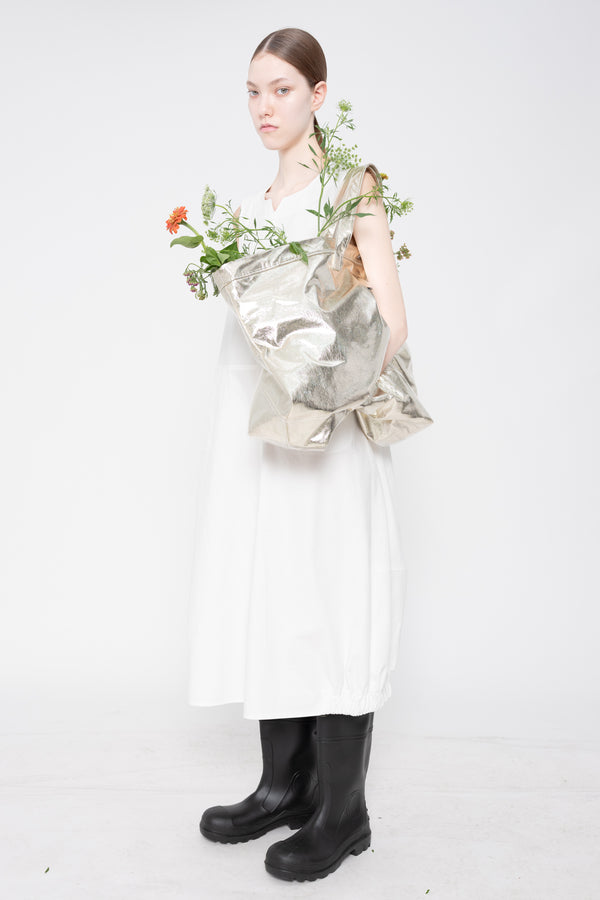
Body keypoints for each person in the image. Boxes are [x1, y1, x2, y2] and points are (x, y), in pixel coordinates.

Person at [188, 27, 410, 882]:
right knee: (270, 586)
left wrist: (324, 383)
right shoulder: (245, 210)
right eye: (252, 91)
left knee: (331, 593)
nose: (263, 108)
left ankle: (344, 813)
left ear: (319, 94)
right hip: (255, 434)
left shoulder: (351, 192)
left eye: (281, 89)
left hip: (327, 430)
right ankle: (284, 787)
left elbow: (391, 320)